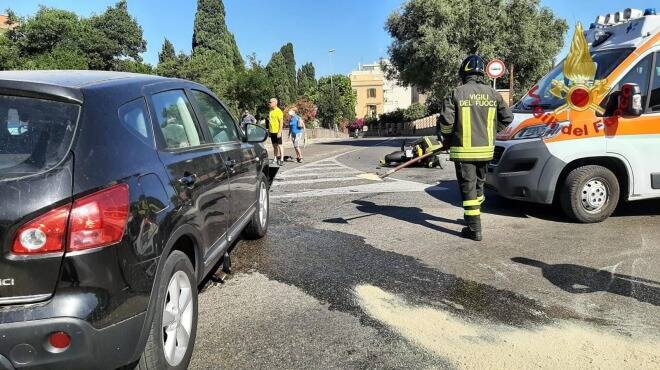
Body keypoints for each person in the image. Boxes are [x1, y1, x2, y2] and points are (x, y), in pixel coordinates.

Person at [437, 55, 513, 241]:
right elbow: (508, 118)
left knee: (468, 189)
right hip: (486, 151)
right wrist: (492, 132)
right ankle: (472, 217)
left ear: (464, 72)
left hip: (464, 151)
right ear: (482, 73)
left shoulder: (456, 93)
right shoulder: (493, 94)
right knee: (479, 186)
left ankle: (474, 228)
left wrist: (446, 139)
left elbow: (446, 123)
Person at [268, 98, 284, 166]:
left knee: (280, 145)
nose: (269, 103)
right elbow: (270, 122)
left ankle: (282, 159)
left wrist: (279, 132)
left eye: (270, 102)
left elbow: (281, 123)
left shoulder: (279, 111)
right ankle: (275, 158)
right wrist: (269, 131)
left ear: (275, 103)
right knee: (274, 146)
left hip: (277, 131)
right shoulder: (271, 111)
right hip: (272, 132)